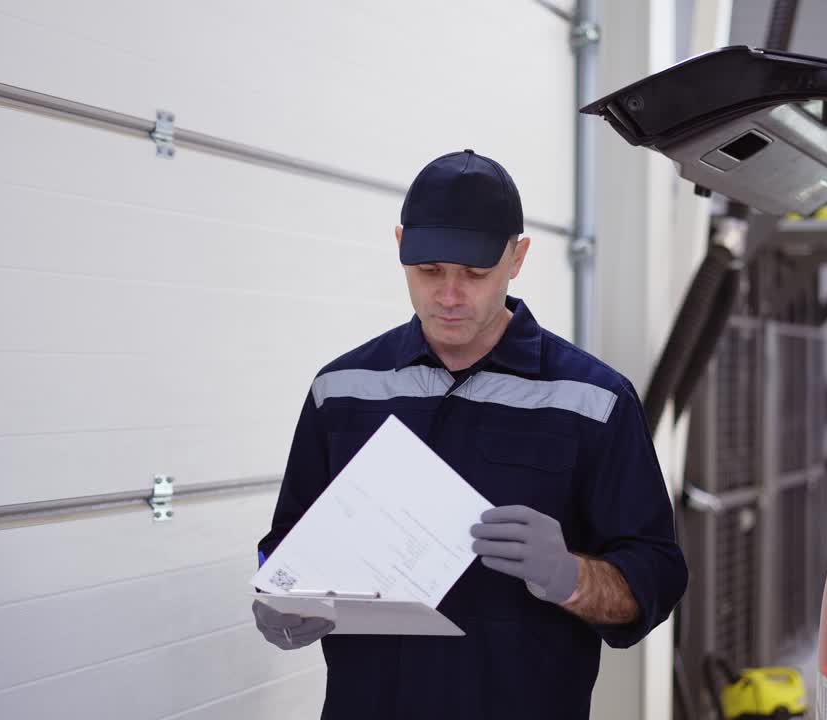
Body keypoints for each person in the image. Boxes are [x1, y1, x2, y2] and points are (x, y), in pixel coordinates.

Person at [254, 149, 688, 720]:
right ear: (400, 244)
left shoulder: (592, 401)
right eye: (429, 271)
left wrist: (573, 577)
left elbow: (656, 575)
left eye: (475, 273)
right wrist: (278, 599)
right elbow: (288, 542)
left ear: (518, 257)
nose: (450, 295)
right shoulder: (343, 391)